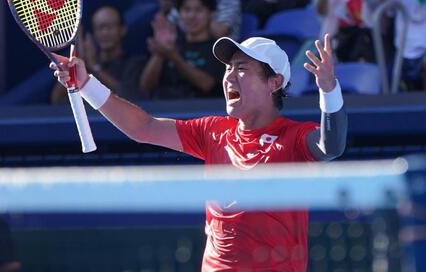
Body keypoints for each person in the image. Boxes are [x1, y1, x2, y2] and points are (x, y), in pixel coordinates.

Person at [50, 31, 347, 270]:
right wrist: (87, 84)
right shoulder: (212, 131)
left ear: (275, 82)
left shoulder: (295, 137)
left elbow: (330, 146)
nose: (229, 77)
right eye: (228, 69)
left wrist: (330, 90)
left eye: (242, 69)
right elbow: (143, 128)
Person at [50, 5, 148, 104]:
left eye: (110, 27)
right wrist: (75, 62)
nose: (105, 32)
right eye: (100, 27)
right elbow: (56, 100)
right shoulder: (83, 66)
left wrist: (95, 66)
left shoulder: (136, 63)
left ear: (122, 29)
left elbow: (127, 96)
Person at [140, 0, 224, 99]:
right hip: (166, 112)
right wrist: (159, 53)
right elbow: (146, 86)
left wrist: (174, 57)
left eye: (199, 10)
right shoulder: (172, 43)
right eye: (186, 10)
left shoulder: (220, 48)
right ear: (179, 13)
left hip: (202, 112)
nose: (191, 16)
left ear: (211, 13)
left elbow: (206, 84)